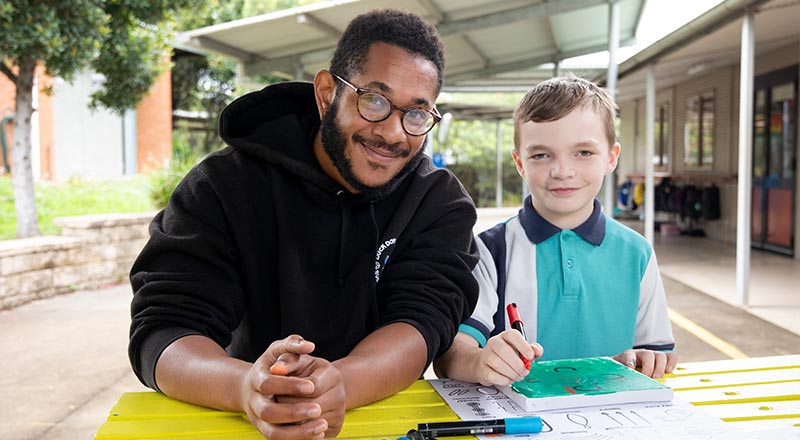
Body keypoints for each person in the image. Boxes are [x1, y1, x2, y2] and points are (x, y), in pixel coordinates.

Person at [128, 9, 479, 439]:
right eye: (374, 101)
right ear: (328, 93)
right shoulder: (223, 186)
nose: (393, 133)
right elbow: (164, 330)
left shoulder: (437, 201)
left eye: (416, 114)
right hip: (243, 420)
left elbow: (424, 321)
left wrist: (336, 386)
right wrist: (246, 387)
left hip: (385, 420)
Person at [434, 75, 676, 387]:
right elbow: (450, 356)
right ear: (520, 162)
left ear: (611, 157)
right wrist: (480, 361)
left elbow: (655, 355)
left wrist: (645, 360)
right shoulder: (490, 250)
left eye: (583, 152)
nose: (562, 170)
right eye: (541, 155)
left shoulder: (637, 253)